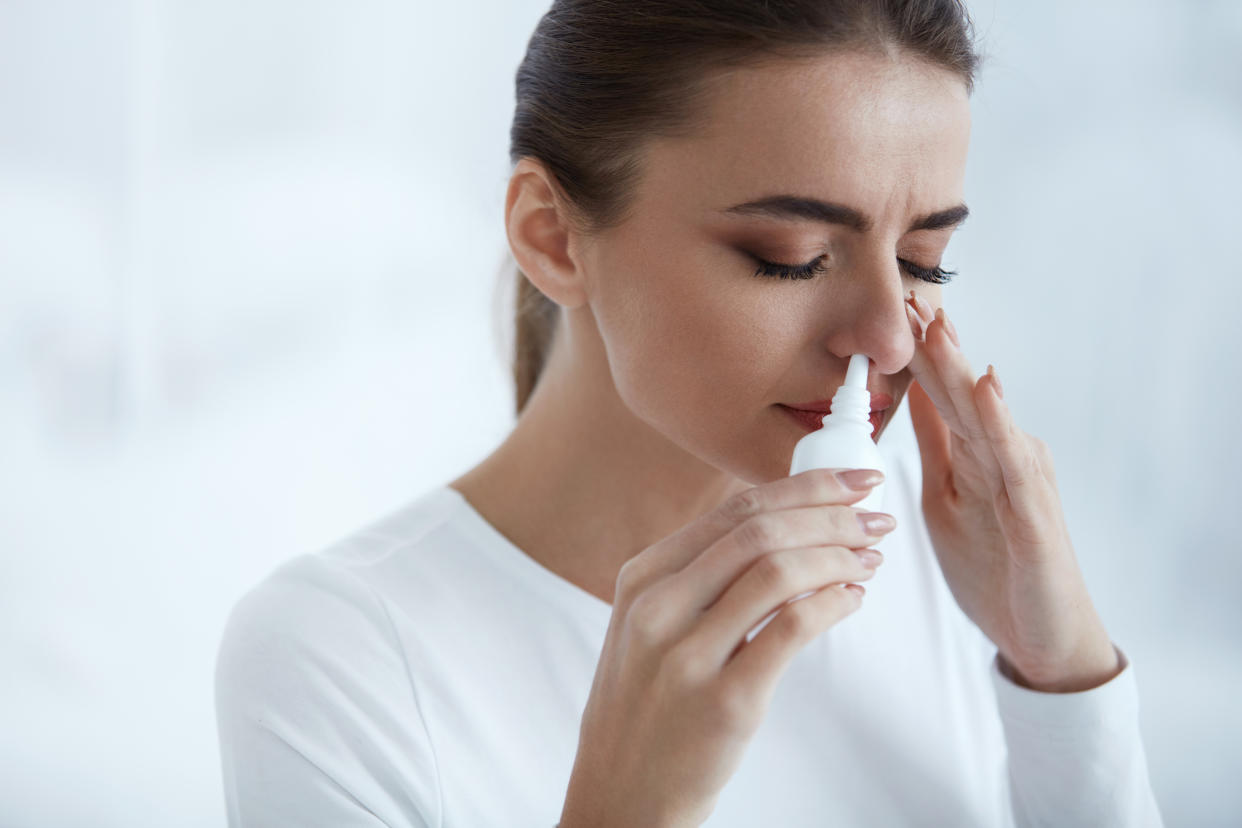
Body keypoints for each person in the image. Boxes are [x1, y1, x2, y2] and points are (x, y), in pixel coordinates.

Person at [214, 1, 1165, 825]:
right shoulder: (338, 661)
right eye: (790, 256)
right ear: (553, 236)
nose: (888, 337)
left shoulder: (933, 542)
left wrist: (1061, 670)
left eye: (924, 262)